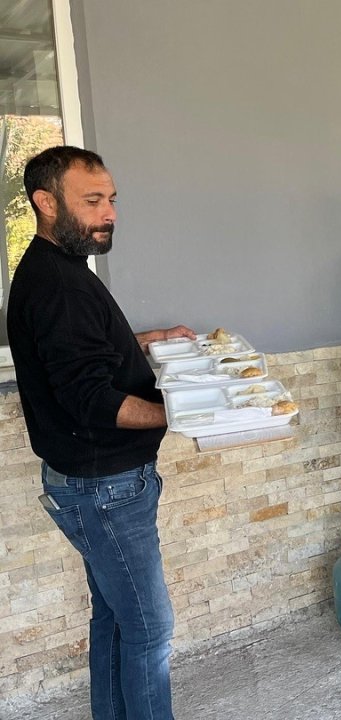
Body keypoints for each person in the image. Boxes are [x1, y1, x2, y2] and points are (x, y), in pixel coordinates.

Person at [8, 146, 197, 719]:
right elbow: (91, 398)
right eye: (92, 201)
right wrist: (186, 412)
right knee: (149, 628)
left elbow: (80, 351)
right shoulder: (59, 284)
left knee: (115, 615)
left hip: (97, 482)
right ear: (46, 203)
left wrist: (147, 338)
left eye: (111, 199)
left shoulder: (56, 268)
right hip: (105, 486)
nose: (108, 212)